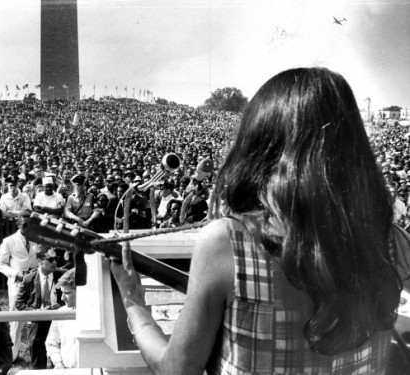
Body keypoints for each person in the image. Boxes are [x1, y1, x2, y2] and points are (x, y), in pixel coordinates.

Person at [110, 67, 410, 374]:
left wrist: (134, 305)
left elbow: (176, 370)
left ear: (259, 144)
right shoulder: (393, 240)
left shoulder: (226, 242)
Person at [0, 209, 38, 361]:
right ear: (18, 223)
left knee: (39, 317)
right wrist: (17, 274)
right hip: (17, 283)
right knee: (16, 319)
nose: (28, 228)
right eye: (25, 225)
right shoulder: (9, 241)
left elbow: (42, 257)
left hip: (36, 282)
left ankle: (38, 356)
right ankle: (12, 356)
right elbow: (0, 264)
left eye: (31, 225)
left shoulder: (38, 238)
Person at [15, 248, 64, 369]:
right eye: (50, 259)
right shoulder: (28, 278)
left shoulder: (62, 275)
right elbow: (19, 303)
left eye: (56, 259)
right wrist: (37, 312)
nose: (54, 263)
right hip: (38, 319)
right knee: (37, 349)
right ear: (39, 261)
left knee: (60, 349)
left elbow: (72, 295)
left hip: (58, 317)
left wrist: (61, 304)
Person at [45, 268, 78, 369]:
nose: (62, 298)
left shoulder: (97, 314)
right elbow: (52, 343)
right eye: (62, 292)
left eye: (67, 293)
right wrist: (58, 363)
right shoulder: (61, 314)